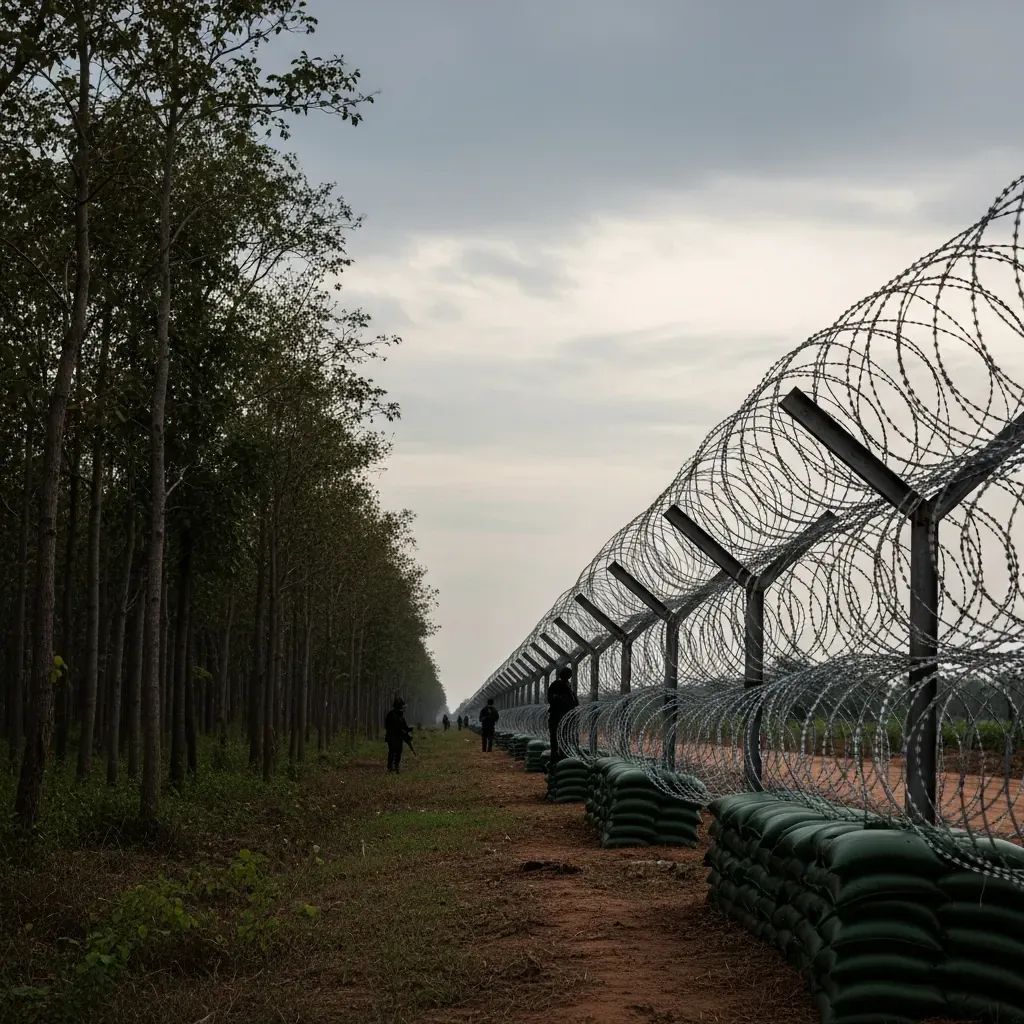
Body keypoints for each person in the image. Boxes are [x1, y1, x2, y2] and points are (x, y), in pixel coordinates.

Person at [547, 664, 579, 765]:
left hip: (567, 717)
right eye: (567, 675)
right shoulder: (557, 685)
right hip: (558, 716)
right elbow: (552, 699)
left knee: (565, 738)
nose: (568, 677)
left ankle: (563, 758)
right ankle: (556, 759)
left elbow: (573, 702)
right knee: (557, 739)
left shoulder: (567, 686)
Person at [384, 697, 413, 773]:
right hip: (391, 736)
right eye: (402, 706)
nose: (404, 708)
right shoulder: (391, 714)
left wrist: (409, 729)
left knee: (399, 751)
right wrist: (400, 731)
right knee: (392, 751)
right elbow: (388, 726)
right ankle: (390, 768)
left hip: (398, 737)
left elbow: (404, 726)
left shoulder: (401, 715)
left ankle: (396, 767)